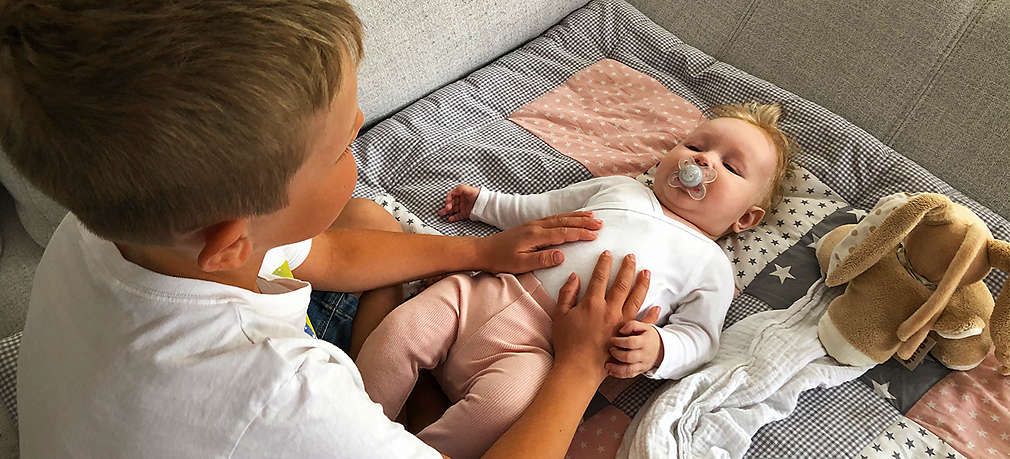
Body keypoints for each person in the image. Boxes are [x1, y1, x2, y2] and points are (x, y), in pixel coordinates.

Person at [0, 1, 649, 457]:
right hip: (238, 416)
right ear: (231, 238)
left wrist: (479, 249)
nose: (359, 146)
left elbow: (328, 248)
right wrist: (579, 364)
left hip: (142, 404)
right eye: (344, 146)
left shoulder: (104, 227)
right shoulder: (279, 390)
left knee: (367, 220)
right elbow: (283, 392)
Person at [356, 102, 798, 458]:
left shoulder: (712, 265)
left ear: (746, 218)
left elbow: (701, 337)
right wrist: (484, 204)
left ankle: (415, 450)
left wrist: (659, 348)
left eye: (731, 166)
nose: (703, 160)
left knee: (502, 408)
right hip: (487, 290)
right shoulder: (623, 188)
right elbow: (541, 211)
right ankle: (355, 422)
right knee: (398, 332)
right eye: (696, 144)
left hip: (544, 351)